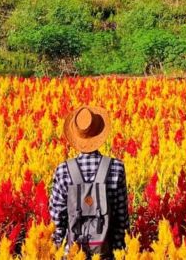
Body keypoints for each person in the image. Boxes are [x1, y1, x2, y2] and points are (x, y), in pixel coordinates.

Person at [49, 105, 128, 258]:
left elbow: (57, 220)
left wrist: (56, 251)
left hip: (73, 253)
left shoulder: (63, 170)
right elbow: (121, 219)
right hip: (106, 252)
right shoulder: (116, 168)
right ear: (99, 135)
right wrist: (120, 252)